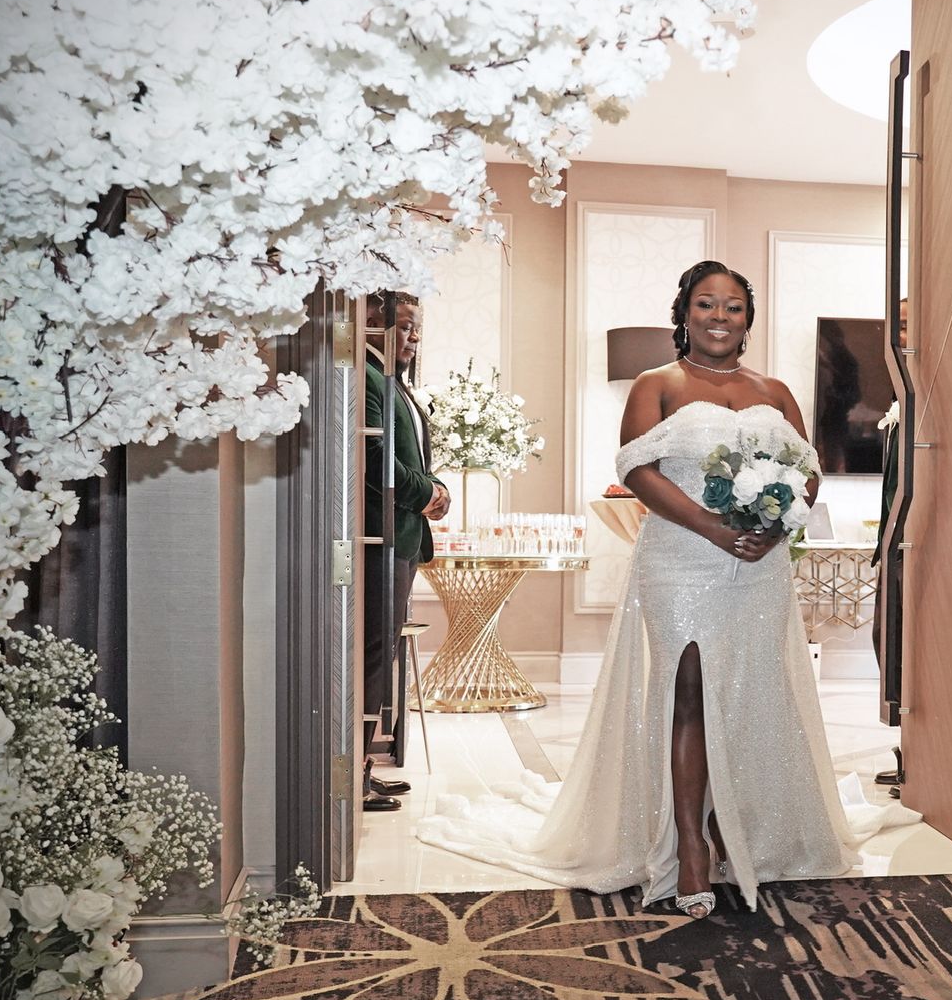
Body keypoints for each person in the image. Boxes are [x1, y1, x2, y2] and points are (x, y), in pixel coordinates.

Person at [415, 261, 916, 915]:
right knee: (688, 691)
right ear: (683, 313)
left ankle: (735, 828)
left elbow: (807, 472)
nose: (718, 317)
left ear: (748, 319)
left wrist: (773, 523)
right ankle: (689, 846)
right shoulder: (658, 384)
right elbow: (638, 471)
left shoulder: (775, 390)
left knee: (751, 694)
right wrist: (712, 526)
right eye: (705, 304)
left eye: (732, 307)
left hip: (758, 566)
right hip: (681, 560)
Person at [363, 297, 448, 811]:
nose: (411, 339)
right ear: (372, 323)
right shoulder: (368, 380)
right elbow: (374, 457)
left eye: (417, 331)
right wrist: (428, 493)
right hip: (379, 537)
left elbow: (407, 456)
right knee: (372, 655)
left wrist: (432, 487)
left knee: (381, 653)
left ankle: (363, 768)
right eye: (402, 327)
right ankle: (356, 772)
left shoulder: (395, 384)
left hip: (404, 537)